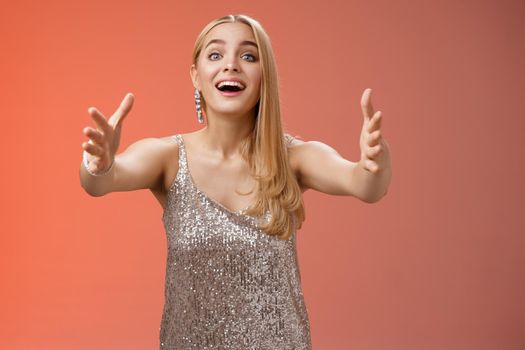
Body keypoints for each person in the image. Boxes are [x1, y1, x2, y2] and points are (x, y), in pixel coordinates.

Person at [79, 14, 391, 350]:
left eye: (248, 56)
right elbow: (102, 182)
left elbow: (364, 185)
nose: (231, 65)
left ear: (264, 76)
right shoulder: (167, 156)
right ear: (196, 76)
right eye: (215, 55)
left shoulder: (294, 157)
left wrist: (375, 163)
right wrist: (98, 164)